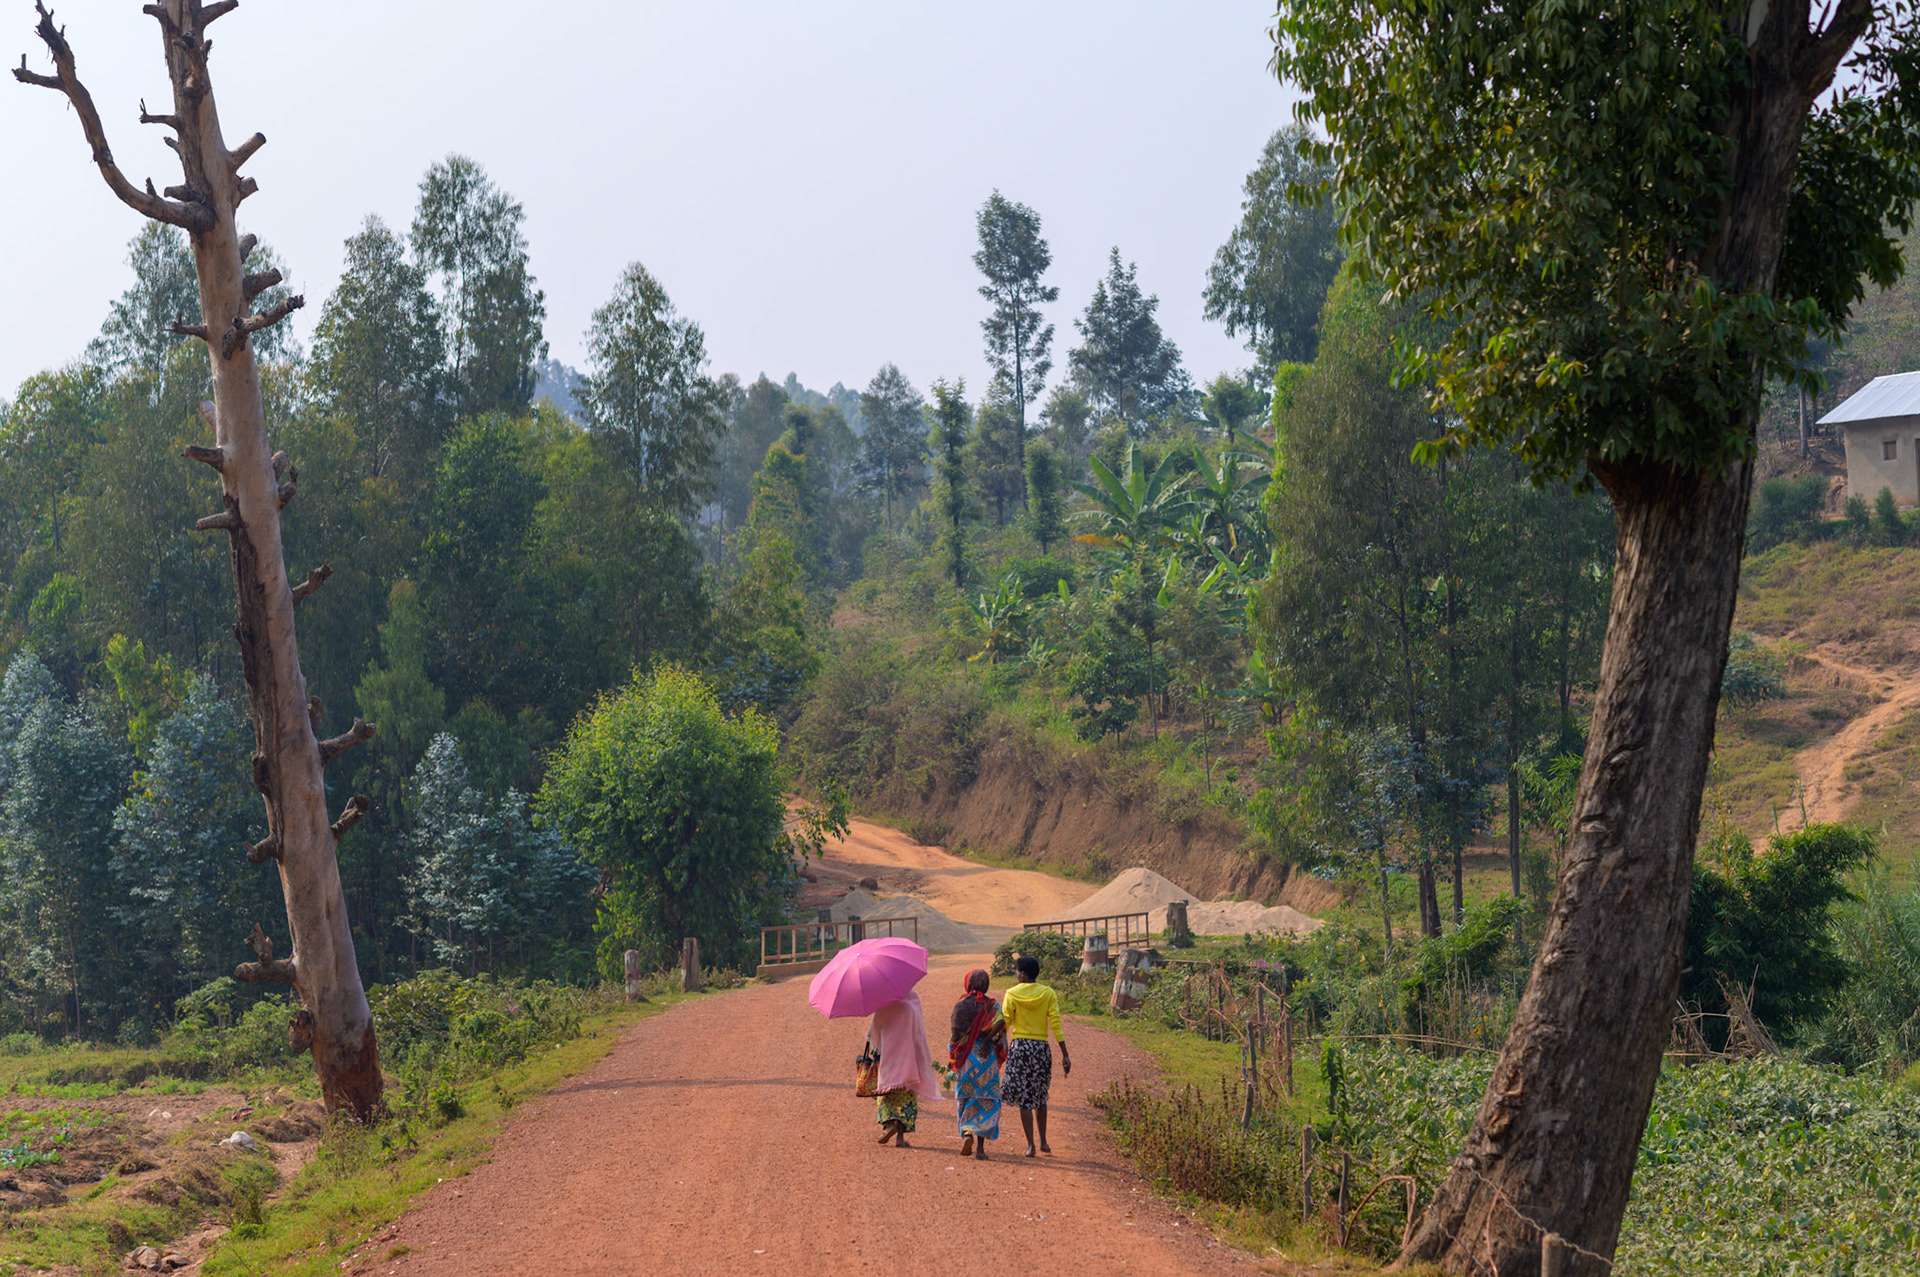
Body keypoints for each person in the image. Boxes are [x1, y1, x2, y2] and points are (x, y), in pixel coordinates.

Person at [1000, 954, 1070, 1157]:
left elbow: (1006, 1022)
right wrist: (1065, 1054)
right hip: (1041, 1048)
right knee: (1040, 1095)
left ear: (1022, 973)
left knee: (1024, 1098)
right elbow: (1055, 1022)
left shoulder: (1012, 993)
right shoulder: (1048, 993)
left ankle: (1030, 1145)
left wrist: (994, 1043)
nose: (1015, 974)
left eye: (1016, 971)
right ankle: (1044, 1142)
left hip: (1020, 1047)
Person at [867, 987, 941, 1148]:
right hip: (909, 1062)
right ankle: (900, 1136)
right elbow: (919, 1032)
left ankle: (889, 1125)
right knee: (906, 1099)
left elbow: (874, 1032)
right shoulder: (913, 1001)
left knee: (886, 1095)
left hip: (888, 1060)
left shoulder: (883, 1003)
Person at [949, 968, 1006, 1161]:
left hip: (967, 1058)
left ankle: (966, 1133)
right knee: (986, 1101)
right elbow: (1001, 1023)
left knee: (965, 1096)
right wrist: (989, 1038)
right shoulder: (992, 1005)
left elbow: (955, 1035)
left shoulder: (960, 1005)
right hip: (986, 1057)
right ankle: (981, 1149)